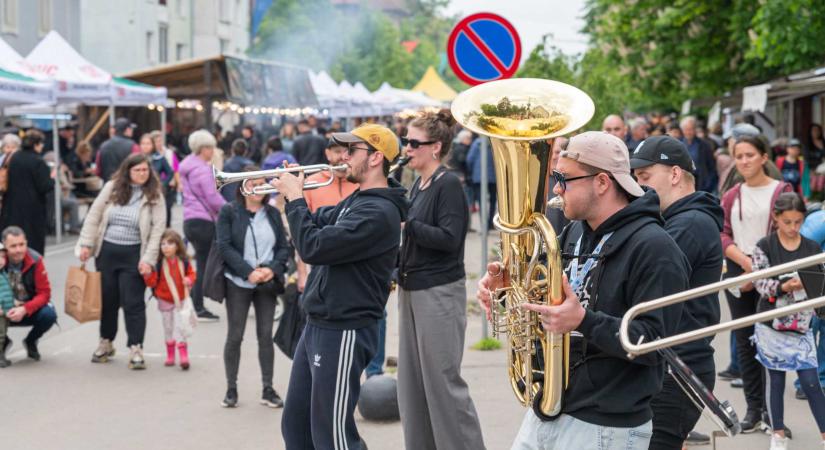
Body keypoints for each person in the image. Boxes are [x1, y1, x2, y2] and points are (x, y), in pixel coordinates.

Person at [477, 131, 690, 449]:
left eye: (565, 178)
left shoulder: (655, 247)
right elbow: (547, 307)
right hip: (549, 407)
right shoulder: (573, 232)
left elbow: (656, 345)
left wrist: (583, 322)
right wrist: (508, 292)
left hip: (607, 425)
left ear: (602, 182)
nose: (557, 188)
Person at [277, 123, 409, 449]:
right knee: (296, 427)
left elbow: (313, 247)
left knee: (334, 437)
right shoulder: (359, 200)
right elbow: (317, 219)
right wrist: (297, 192)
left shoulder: (378, 211)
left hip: (344, 327)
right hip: (320, 322)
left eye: (351, 151)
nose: (342, 157)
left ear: (376, 157)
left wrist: (295, 197)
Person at [396, 110, 485, 449]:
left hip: (438, 292)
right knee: (412, 386)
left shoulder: (448, 183)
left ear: (435, 147)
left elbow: (450, 239)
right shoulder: (417, 183)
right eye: (406, 141)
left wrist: (409, 226)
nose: (407, 148)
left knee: (443, 385)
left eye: (413, 143)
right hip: (413, 288)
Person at [630, 136, 724, 449]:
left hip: (680, 366)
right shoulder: (674, 219)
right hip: (673, 363)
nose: (638, 187)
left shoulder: (691, 223)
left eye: (644, 178)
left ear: (674, 174)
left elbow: (645, 282)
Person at [721, 135, 793, 432]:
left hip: (773, 270)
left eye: (750, 155)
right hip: (740, 269)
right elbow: (723, 234)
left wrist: (761, 270)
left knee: (773, 342)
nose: (745, 161)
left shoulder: (781, 190)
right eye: (739, 156)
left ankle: (776, 415)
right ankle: (754, 409)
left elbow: (788, 232)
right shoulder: (731, 195)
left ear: (764, 157)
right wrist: (746, 264)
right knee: (745, 341)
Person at [751, 192, 825, 449]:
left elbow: (818, 290)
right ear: (776, 218)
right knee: (776, 381)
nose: (793, 228)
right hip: (771, 325)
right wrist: (786, 286)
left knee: (811, 382)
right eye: (788, 222)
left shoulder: (812, 248)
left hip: (802, 326)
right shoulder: (764, 245)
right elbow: (761, 283)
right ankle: (778, 434)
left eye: (798, 222)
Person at [78, 154, 166, 370]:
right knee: (108, 301)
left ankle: (136, 347)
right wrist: (86, 245)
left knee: (133, 302)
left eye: (145, 170)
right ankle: (106, 342)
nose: (142, 174)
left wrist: (148, 259)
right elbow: (94, 215)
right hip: (106, 252)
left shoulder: (154, 194)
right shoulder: (112, 188)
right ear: (128, 171)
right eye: (137, 170)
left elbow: (158, 229)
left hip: (134, 255)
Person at [216, 166, 291, 408]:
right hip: (239, 281)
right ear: (242, 186)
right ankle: (231, 388)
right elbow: (224, 246)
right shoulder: (229, 212)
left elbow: (283, 247)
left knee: (265, 336)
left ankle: (267, 388)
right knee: (235, 335)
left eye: (262, 183)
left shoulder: (271, 213)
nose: (258, 187)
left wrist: (271, 269)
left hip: (266, 281)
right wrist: (248, 272)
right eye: (253, 183)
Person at [180, 130, 226, 321]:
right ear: (203, 148)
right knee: (204, 265)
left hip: (190, 219)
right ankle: (198, 306)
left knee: (200, 262)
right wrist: (230, 209)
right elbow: (213, 198)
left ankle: (194, 301)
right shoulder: (202, 170)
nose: (213, 151)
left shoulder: (186, 166)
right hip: (204, 221)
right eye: (211, 148)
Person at [1, 227, 56, 365]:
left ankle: (31, 341)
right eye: (13, 246)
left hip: (27, 309)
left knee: (49, 314)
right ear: (4, 246)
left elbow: (44, 293)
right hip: (3, 310)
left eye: (22, 244)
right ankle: (4, 341)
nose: (19, 250)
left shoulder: (35, 259)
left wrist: (25, 309)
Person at [142, 229, 196, 370]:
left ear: (177, 246)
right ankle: (170, 355)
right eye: (163, 244)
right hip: (164, 300)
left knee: (181, 328)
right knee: (168, 328)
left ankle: (183, 356)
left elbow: (192, 274)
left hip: (181, 300)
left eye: (170, 243)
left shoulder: (183, 262)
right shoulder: (159, 264)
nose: (165, 247)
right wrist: (147, 276)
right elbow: (152, 283)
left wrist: (189, 279)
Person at [0, 129, 54, 255]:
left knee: (11, 243)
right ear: (36, 144)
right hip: (33, 211)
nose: (42, 147)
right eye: (41, 144)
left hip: (11, 209)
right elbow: (45, 186)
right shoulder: (38, 162)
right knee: (32, 247)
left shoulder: (13, 158)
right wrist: (52, 178)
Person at [150, 131, 181, 227]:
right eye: (156, 141)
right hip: (154, 186)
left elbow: (176, 169)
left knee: (167, 208)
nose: (158, 143)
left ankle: (167, 227)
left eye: (160, 141)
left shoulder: (169, 153)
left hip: (168, 186)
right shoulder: (151, 156)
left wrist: (179, 183)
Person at [680, 116, 718, 193]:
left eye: (691, 129)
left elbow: (711, 167)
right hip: (682, 182)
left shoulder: (704, 145)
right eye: (686, 129)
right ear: (682, 130)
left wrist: (708, 185)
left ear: (695, 130)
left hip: (700, 183)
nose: (689, 132)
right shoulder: (678, 144)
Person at [466, 135, 497, 230]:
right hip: (493, 178)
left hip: (478, 178)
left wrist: (471, 172)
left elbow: (469, 159)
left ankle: (484, 224)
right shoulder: (494, 143)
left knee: (481, 201)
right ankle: (491, 223)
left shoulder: (476, 143)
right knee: (492, 201)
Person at [0, 244, 13, 367]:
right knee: (0, 335)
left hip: (5, 311)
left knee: (3, 333)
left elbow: (6, 291)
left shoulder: (3, 273)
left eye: (3, 257)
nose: (0, 260)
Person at [805, 124, 825, 200]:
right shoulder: (808, 144)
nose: (816, 132)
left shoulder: (823, 142)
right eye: (814, 130)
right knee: (814, 186)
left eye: (817, 130)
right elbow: (807, 158)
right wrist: (812, 169)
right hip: (813, 169)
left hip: (823, 169)